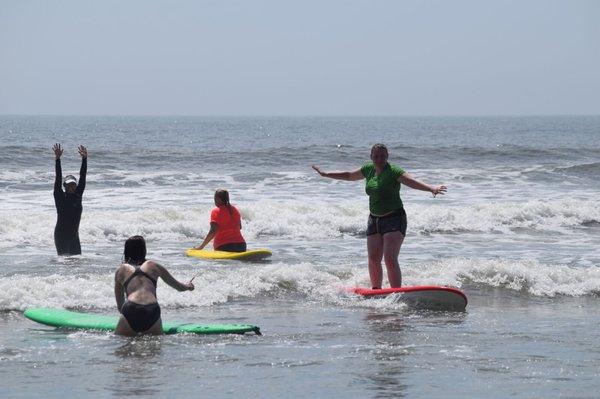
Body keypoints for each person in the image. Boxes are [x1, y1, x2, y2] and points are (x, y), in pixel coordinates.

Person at [312, 143, 446, 289]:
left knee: (389, 258)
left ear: (387, 156)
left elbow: (412, 182)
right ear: (371, 157)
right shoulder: (368, 169)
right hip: (374, 220)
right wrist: (326, 174)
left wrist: (431, 188)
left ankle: (396, 291)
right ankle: (376, 291)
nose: (379, 159)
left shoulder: (394, 171)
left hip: (394, 218)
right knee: (374, 258)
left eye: (382, 156)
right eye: (376, 156)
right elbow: (349, 175)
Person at [114, 235, 195, 336]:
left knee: (123, 347)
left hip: (131, 308)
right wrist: (188, 286)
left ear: (126, 250)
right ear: (144, 250)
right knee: (153, 349)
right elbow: (179, 287)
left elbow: (120, 305)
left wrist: (129, 318)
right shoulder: (153, 266)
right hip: (152, 309)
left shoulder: (121, 270)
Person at [52, 143, 87, 255]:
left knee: (77, 263)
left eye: (73, 185)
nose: (71, 186)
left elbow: (83, 176)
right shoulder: (60, 196)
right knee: (64, 263)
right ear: (64, 186)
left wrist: (84, 159)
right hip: (61, 236)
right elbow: (58, 178)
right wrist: (58, 159)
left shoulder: (78, 196)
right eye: (68, 185)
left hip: (74, 236)